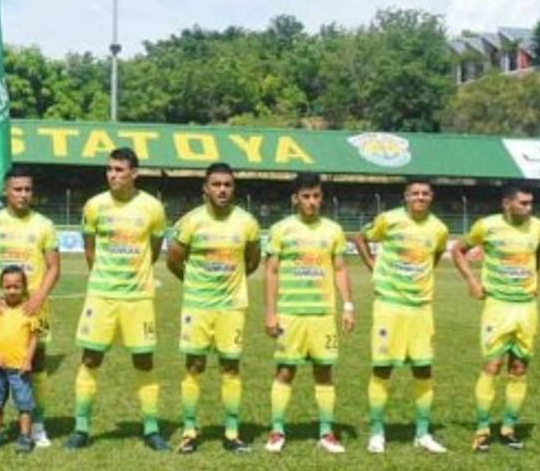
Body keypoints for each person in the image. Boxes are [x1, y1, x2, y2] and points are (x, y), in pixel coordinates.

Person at [66, 147, 168, 451]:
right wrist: (103, 280)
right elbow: (89, 248)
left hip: (138, 297)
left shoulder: (152, 207)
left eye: (120, 170)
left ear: (134, 173)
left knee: (144, 359)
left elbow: (155, 247)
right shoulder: (95, 205)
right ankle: (81, 428)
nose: (113, 175)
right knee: (90, 357)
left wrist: (135, 276)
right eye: (110, 169)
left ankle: (151, 428)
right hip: (102, 295)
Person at [167, 162, 261, 454]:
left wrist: (232, 283)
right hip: (198, 305)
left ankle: (232, 433)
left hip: (232, 306)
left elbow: (253, 260)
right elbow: (173, 260)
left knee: (230, 366)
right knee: (194, 365)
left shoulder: (247, 223)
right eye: (216, 184)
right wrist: (193, 283)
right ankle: (190, 430)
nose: (222, 190)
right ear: (205, 188)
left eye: (227, 185)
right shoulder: (190, 222)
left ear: (234, 188)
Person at [353, 177, 449, 454]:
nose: (420, 197)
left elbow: (436, 256)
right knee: (383, 368)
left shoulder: (439, 229)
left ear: (431, 197)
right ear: (405, 197)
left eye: (425, 193)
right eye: (415, 193)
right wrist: (373, 264)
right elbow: (360, 237)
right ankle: (377, 432)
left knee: (423, 368)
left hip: (421, 307)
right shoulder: (389, 219)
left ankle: (422, 433)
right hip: (389, 305)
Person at [450, 183, 540, 452]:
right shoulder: (487, 226)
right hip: (498, 306)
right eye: (523, 203)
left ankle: (508, 429)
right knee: (492, 366)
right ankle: (482, 429)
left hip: (527, 307)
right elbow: (458, 250)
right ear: (507, 203)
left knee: (519, 368)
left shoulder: (538, 227)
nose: (529, 208)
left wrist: (537, 279)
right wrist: (471, 280)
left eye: (531, 203)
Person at [263, 172, 354, 454]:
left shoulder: (333, 230)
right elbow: (271, 272)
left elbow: (339, 269)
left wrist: (348, 305)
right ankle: (277, 430)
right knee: (285, 370)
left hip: (322, 314)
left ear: (322, 198)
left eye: (316, 196)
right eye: (306, 196)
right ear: (295, 199)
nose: (312, 202)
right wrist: (270, 312)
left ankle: (326, 433)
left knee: (324, 372)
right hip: (291, 314)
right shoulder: (281, 230)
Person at [0, 165, 60, 447]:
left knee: (36, 365)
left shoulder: (44, 224)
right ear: (5, 191)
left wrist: (38, 297)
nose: (23, 195)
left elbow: (54, 267)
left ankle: (37, 425)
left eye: (28, 189)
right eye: (17, 189)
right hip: (1, 310)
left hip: (33, 308)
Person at [0, 266, 40, 453]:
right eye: (7, 287)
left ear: (24, 287)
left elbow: (34, 337)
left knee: (24, 404)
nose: (12, 290)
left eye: (16, 286)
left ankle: (25, 436)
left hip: (20, 368)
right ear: (1, 287)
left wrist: (28, 360)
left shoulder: (29, 310)